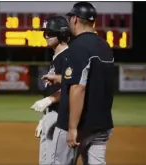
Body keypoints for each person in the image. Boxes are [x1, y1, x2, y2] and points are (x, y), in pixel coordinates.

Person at [42, 2, 114, 165]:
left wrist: (72, 127)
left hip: (78, 124)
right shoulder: (105, 46)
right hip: (102, 125)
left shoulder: (77, 47)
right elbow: (92, 79)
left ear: (75, 19)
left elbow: (78, 87)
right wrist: (62, 78)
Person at [30, 15, 70, 165]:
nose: (46, 35)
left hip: (60, 117)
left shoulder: (68, 57)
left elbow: (72, 86)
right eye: (45, 32)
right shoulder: (57, 57)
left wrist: (49, 100)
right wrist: (45, 118)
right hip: (53, 114)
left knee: (54, 162)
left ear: (61, 34)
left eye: (50, 32)